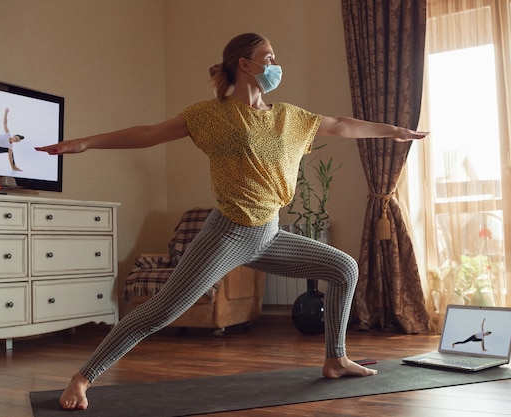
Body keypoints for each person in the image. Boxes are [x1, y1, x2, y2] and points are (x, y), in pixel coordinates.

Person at [36, 33, 428, 411]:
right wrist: (85, 142)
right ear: (245, 63)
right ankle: (83, 377)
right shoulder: (211, 115)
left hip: (270, 234)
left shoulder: (290, 117)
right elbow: (149, 133)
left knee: (344, 268)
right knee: (160, 312)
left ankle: (336, 359)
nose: (275, 64)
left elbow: (341, 125)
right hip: (226, 236)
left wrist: (393, 132)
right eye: (269, 57)